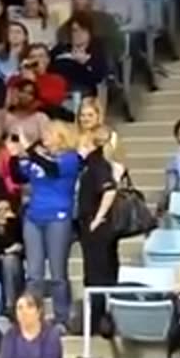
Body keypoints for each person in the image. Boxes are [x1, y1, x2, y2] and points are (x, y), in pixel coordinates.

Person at [9, 124, 80, 327]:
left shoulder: (70, 159)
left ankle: (61, 318)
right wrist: (15, 156)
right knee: (34, 275)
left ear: (61, 137)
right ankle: (32, 319)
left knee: (58, 274)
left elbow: (52, 169)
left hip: (57, 217)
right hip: (33, 217)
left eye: (49, 134)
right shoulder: (37, 159)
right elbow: (18, 176)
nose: (44, 137)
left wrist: (29, 149)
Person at [77, 128, 120, 339]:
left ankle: (99, 323)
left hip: (98, 229)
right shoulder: (89, 165)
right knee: (95, 277)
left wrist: (96, 219)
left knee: (98, 278)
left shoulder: (97, 164)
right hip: (92, 228)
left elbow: (109, 190)